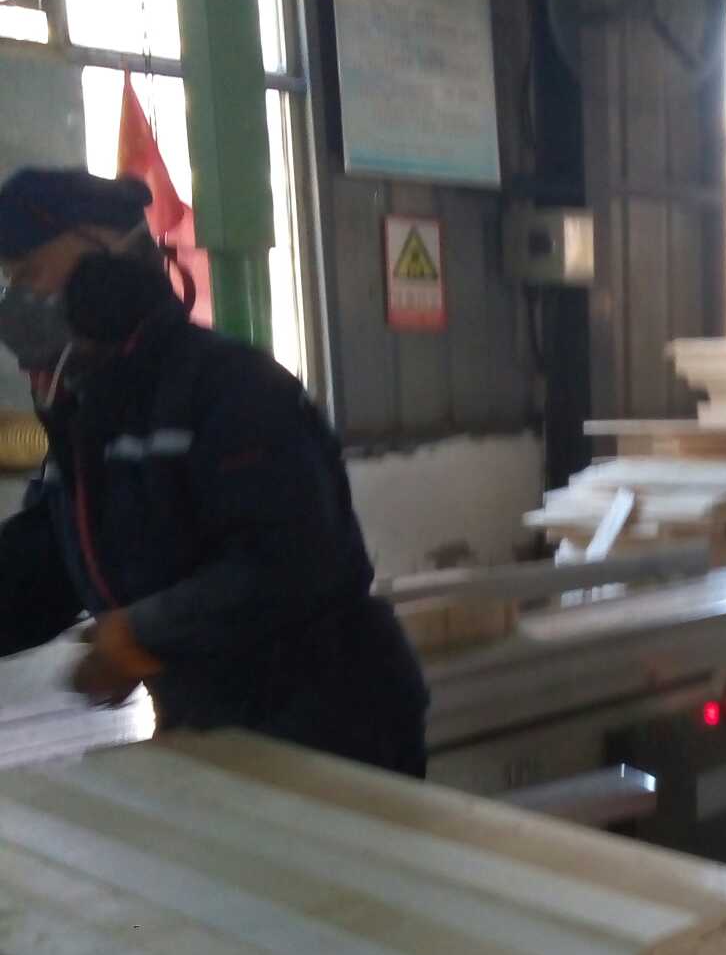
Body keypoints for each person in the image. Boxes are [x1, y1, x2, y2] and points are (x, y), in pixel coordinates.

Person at [0, 167, 427, 773]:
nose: (16, 302)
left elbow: (289, 562)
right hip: (213, 725)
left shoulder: (230, 387)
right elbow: (49, 561)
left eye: (28, 274)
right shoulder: (90, 412)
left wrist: (140, 634)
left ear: (105, 267)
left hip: (330, 727)